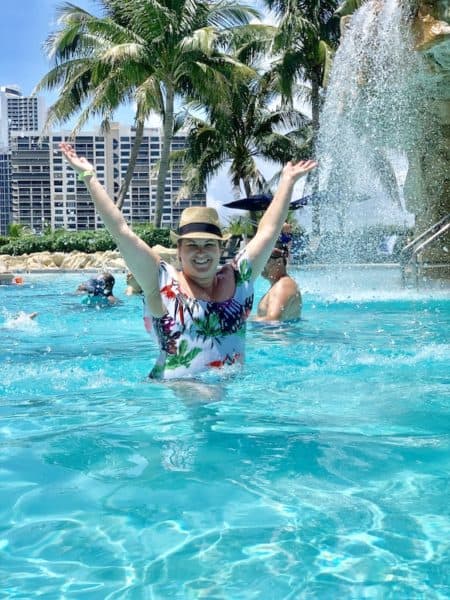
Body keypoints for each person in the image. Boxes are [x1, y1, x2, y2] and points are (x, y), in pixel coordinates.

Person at [59, 141, 317, 379]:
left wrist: (287, 182)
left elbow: (268, 231)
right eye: (192, 245)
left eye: (208, 245)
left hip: (234, 404)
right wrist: (89, 177)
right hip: (173, 404)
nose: (201, 252)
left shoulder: (240, 278)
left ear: (220, 249)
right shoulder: (161, 281)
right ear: (179, 250)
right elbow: (121, 231)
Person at [255, 243, 302, 322]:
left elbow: (273, 320)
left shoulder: (283, 286)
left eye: (264, 260)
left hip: (279, 333)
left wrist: (241, 321)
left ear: (279, 261)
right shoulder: (279, 285)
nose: (260, 264)